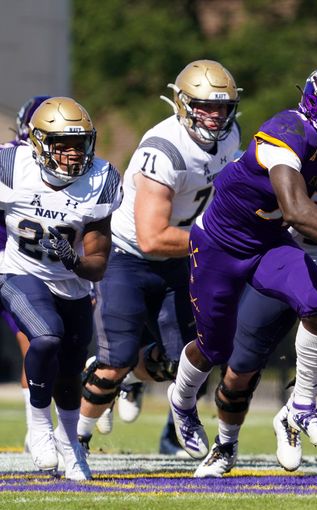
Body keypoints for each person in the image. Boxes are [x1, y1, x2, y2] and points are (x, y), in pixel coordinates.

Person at [167, 63, 317, 472]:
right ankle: (182, 401)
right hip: (220, 244)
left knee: (316, 302)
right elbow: (295, 210)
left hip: (270, 243)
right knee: (214, 349)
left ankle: (304, 406)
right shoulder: (288, 129)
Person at [76, 60, 242, 456]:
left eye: (222, 107)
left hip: (181, 252)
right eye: (205, 106)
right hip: (129, 256)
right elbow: (151, 238)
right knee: (114, 362)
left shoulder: (231, 136)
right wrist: (221, 242)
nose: (216, 116)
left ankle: (156, 392)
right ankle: (77, 437)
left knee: (194, 357)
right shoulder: (164, 150)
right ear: (182, 104)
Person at [0, 96, 122, 480]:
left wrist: (73, 260)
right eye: (62, 146)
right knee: (46, 337)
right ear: (37, 144)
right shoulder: (10, 168)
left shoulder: (101, 179)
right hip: (19, 272)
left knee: (70, 374)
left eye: (80, 144)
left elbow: (98, 266)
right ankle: (38, 427)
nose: (73, 155)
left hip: (72, 285)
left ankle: (70, 447)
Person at [0, 95, 50, 449]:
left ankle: (38, 430)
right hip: (13, 263)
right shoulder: (9, 160)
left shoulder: (66, 170)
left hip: (21, 268)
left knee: (35, 342)